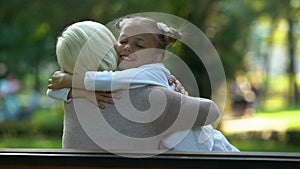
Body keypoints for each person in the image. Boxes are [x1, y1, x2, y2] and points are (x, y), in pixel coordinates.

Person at [47, 18, 221, 151]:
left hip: (210, 146)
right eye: (122, 42)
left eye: (138, 45)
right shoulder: (148, 95)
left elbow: (54, 88)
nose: (127, 48)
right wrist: (183, 98)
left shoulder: (71, 96)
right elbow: (211, 112)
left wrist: (73, 85)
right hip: (206, 152)